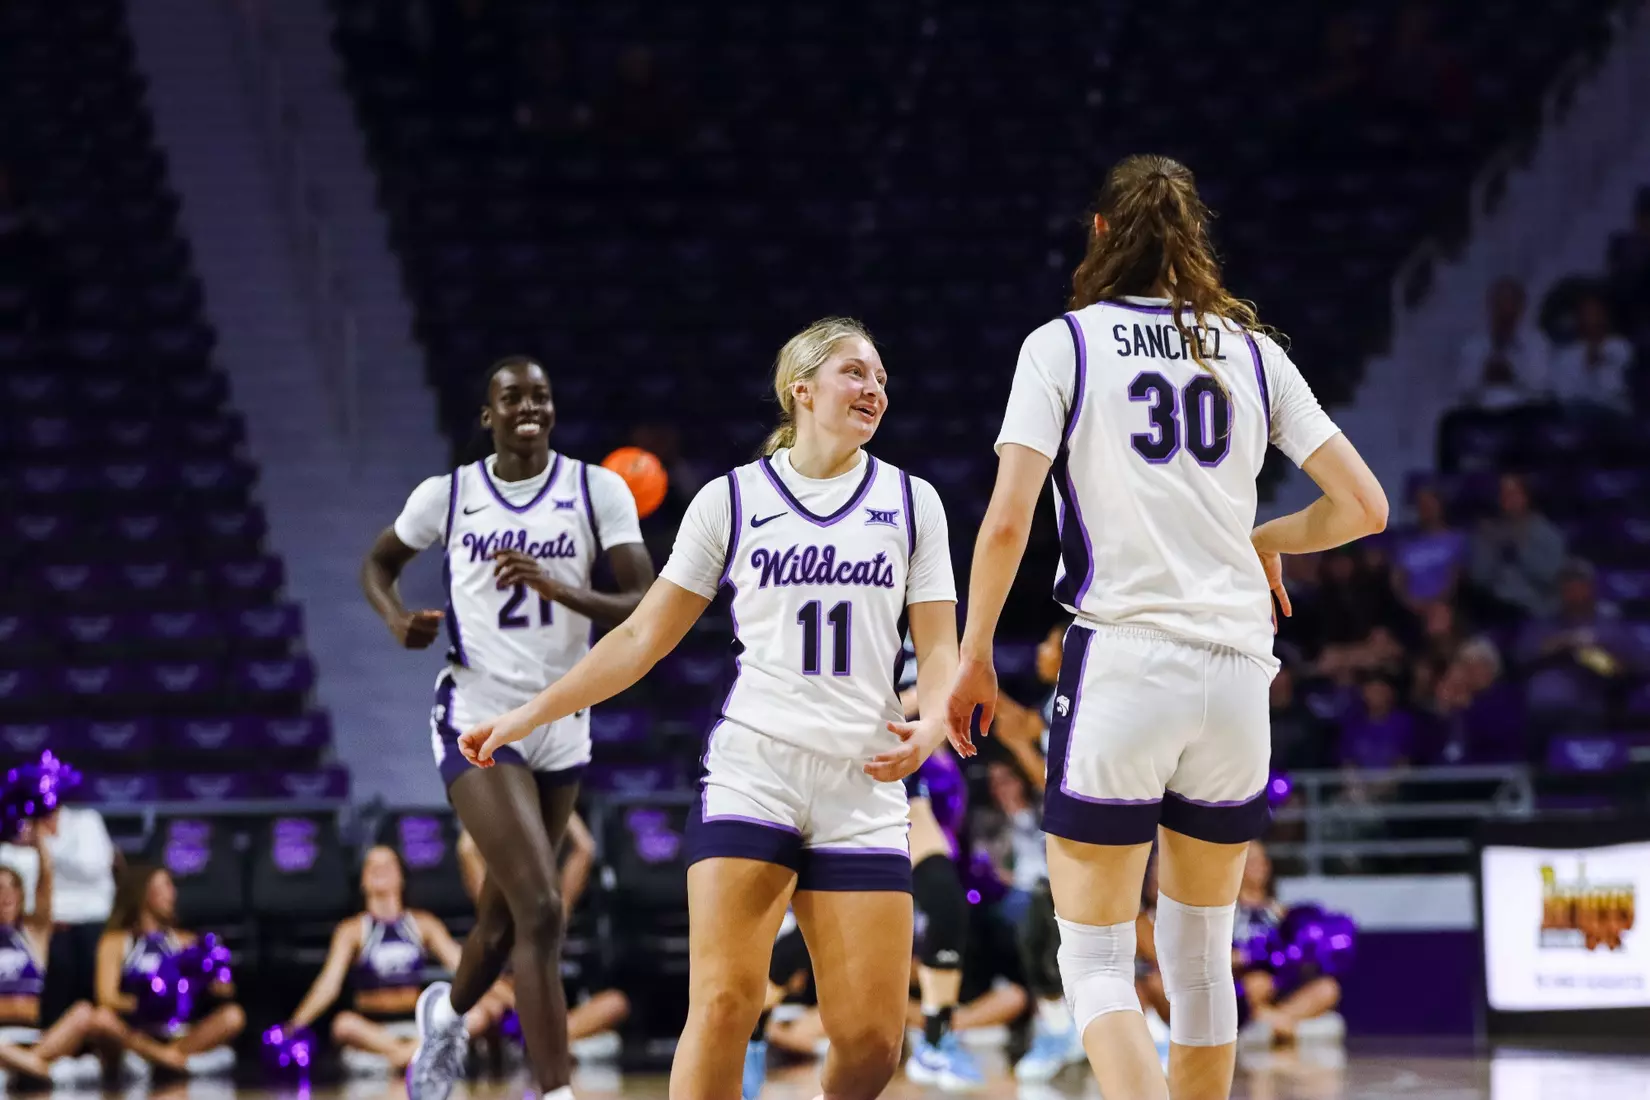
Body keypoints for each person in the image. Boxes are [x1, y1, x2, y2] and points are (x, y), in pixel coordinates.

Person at [942, 154, 1386, 1100]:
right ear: (1194, 242)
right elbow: (1364, 507)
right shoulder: (1254, 352)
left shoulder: (1063, 344)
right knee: (1200, 960)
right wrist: (1263, 537)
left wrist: (973, 653)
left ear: (1101, 233)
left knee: (1095, 958)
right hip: (1237, 672)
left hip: (1126, 660)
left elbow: (1009, 520)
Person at [460, 317, 965, 1100]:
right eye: (855, 373)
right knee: (726, 1002)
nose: (875, 389)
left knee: (872, 1043)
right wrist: (529, 715)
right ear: (801, 390)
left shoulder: (912, 501)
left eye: (881, 379)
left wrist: (931, 725)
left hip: (862, 783)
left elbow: (937, 650)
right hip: (756, 772)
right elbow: (641, 638)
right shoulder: (732, 500)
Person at [361, 355, 653, 1100]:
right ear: (487, 416)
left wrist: (560, 587)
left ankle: (445, 1018)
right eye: (512, 396)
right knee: (543, 908)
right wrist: (395, 619)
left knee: (500, 925)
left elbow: (644, 603)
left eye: (541, 395)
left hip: (564, 717)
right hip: (479, 714)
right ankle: (554, 1091)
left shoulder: (597, 490)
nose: (529, 406)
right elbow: (378, 565)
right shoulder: (449, 495)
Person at [283, 846, 496, 1073]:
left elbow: (465, 968)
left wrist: (503, 996)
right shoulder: (352, 930)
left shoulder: (423, 924)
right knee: (343, 1024)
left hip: (419, 1027)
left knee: (478, 1015)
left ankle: (403, 1057)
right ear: (362, 880)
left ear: (401, 876)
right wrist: (294, 1025)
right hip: (375, 1032)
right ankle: (415, 1055)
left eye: (387, 865)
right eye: (372, 865)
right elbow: (328, 985)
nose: (380, 870)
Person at [453, 818, 630, 1060]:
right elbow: (466, 849)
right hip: (506, 1006)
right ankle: (551, 1045)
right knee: (487, 1003)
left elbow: (585, 848)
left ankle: (547, 1043)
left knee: (616, 1002)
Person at [94, 865, 246, 1073]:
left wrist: (214, 984)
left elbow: (225, 989)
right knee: (101, 1019)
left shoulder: (186, 941)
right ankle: (174, 1061)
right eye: (165, 886)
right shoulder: (116, 941)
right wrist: (148, 1002)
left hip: (179, 1032)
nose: (172, 894)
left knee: (233, 1016)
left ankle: (163, 1059)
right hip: (137, 1034)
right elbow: (106, 998)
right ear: (143, 892)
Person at [0, 824, 121, 1083]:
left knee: (84, 1012)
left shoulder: (32, 934)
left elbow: (46, 884)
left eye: (12, 888)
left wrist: (39, 844)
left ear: (21, 896)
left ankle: (25, 1067)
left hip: (35, 1039)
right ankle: (40, 1071)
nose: (6, 895)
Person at [1233, 844, 1341, 1047]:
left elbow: (1297, 955)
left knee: (1328, 988)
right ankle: (1267, 1021)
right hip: (1244, 983)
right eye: (1251, 861)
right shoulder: (1228, 913)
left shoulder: (1280, 911)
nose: (1259, 867)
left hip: (1279, 984)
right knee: (1257, 984)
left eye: (1262, 861)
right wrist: (1247, 956)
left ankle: (1275, 1020)